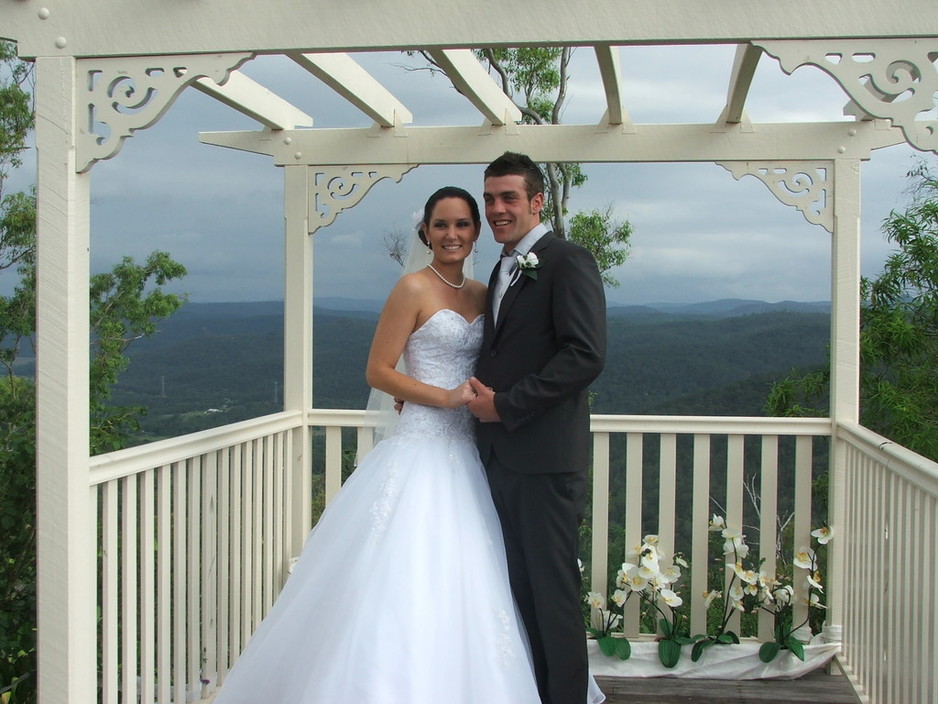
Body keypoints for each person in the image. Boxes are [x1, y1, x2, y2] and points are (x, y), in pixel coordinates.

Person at [213, 186, 598, 703]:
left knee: (476, 577)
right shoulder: (411, 288)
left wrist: (494, 399)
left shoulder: (489, 291)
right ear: (426, 232)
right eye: (441, 225)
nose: (452, 234)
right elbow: (378, 369)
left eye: (462, 224)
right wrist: (433, 396)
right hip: (422, 447)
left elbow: (503, 358)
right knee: (406, 572)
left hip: (473, 453)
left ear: (476, 232)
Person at [467, 152, 607, 704]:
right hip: (500, 459)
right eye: (491, 198)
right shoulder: (503, 267)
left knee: (553, 595)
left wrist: (507, 406)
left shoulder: (567, 260)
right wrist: (432, 398)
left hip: (546, 461)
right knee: (518, 590)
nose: (497, 209)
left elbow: (585, 355)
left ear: (537, 201)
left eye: (508, 198)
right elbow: (497, 353)